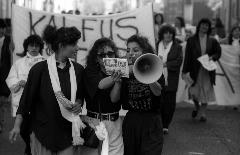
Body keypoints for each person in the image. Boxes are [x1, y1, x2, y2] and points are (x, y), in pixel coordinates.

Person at [9, 27, 85, 155]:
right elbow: (25, 101)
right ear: (61, 46)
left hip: (68, 132)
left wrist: (78, 104)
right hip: (42, 133)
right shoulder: (39, 69)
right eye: (74, 44)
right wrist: (17, 126)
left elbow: (80, 96)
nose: (77, 48)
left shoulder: (78, 70)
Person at [121, 35, 164, 155]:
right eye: (128, 50)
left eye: (135, 50)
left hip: (151, 120)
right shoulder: (125, 70)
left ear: (144, 52)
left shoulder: (154, 66)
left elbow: (158, 92)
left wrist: (148, 74)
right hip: (132, 121)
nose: (131, 53)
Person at [82, 37, 124, 155]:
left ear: (114, 54)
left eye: (110, 53)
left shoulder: (118, 71)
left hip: (114, 121)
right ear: (96, 58)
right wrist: (121, 71)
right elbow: (100, 85)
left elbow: (114, 99)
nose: (107, 57)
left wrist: (118, 83)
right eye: (102, 55)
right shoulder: (89, 71)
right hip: (94, 122)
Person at [6, 34, 45, 155]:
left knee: (37, 132)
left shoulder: (46, 62)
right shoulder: (19, 63)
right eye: (31, 45)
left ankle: (32, 150)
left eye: (36, 45)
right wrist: (19, 83)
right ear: (26, 47)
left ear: (40, 48)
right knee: (23, 130)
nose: (34, 48)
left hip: (39, 105)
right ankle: (29, 148)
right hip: (22, 104)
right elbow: (10, 78)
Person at [182, 18, 221, 122]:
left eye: (207, 25)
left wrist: (212, 57)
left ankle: (203, 113)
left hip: (207, 71)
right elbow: (187, 57)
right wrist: (184, 71)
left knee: (206, 92)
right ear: (199, 26)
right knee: (193, 92)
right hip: (195, 69)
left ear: (209, 28)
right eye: (203, 25)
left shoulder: (212, 40)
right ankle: (197, 107)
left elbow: (218, 52)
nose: (205, 27)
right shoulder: (191, 40)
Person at [157, 25, 183, 134]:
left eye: (170, 33)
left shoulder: (177, 47)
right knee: (158, 102)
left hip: (171, 79)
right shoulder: (155, 45)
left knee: (170, 104)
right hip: (157, 79)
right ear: (162, 34)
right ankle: (158, 124)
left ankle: (165, 125)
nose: (168, 35)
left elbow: (178, 62)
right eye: (166, 32)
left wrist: (165, 64)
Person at [0, 18, 11, 133]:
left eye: (2, 28)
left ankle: (1, 124)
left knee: (2, 102)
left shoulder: (8, 40)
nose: (1, 30)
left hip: (4, 76)